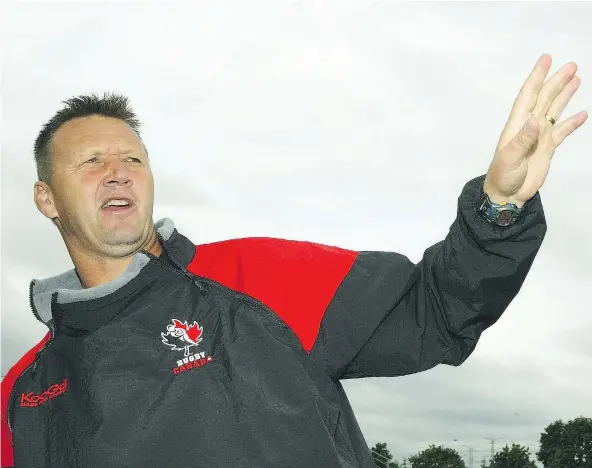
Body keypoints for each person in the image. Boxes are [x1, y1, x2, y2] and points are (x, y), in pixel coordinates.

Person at [0, 54, 586, 468]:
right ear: (45, 197)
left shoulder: (257, 281)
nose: (118, 170)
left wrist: (500, 208)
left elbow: (435, 311)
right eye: (91, 161)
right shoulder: (21, 393)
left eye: (133, 157)